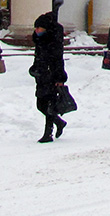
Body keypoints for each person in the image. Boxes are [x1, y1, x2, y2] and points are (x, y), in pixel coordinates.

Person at [30, 11, 67, 143]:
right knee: (40, 104)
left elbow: (58, 60)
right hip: (41, 76)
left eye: (38, 28)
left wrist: (59, 78)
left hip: (51, 76)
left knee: (49, 105)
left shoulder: (52, 42)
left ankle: (48, 133)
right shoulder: (40, 41)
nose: (36, 30)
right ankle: (59, 122)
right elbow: (39, 58)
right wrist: (34, 69)